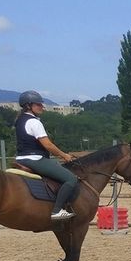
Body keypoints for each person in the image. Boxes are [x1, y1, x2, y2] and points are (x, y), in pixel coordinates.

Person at [14, 90, 79, 222]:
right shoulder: (34, 122)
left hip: (21, 158)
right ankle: (56, 211)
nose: (42, 107)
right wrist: (64, 155)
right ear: (28, 106)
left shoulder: (20, 120)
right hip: (35, 159)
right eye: (38, 104)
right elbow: (48, 145)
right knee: (71, 179)